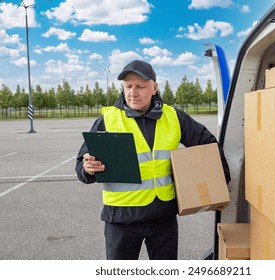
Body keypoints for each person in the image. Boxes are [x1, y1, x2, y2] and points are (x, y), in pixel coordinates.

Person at [75, 59, 230, 260]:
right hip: (121, 220)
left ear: (154, 87)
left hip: (163, 218)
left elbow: (207, 144)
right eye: (128, 86)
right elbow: (81, 165)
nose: (133, 92)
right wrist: (87, 168)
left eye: (140, 86)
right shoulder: (108, 119)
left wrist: (220, 181)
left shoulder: (174, 116)